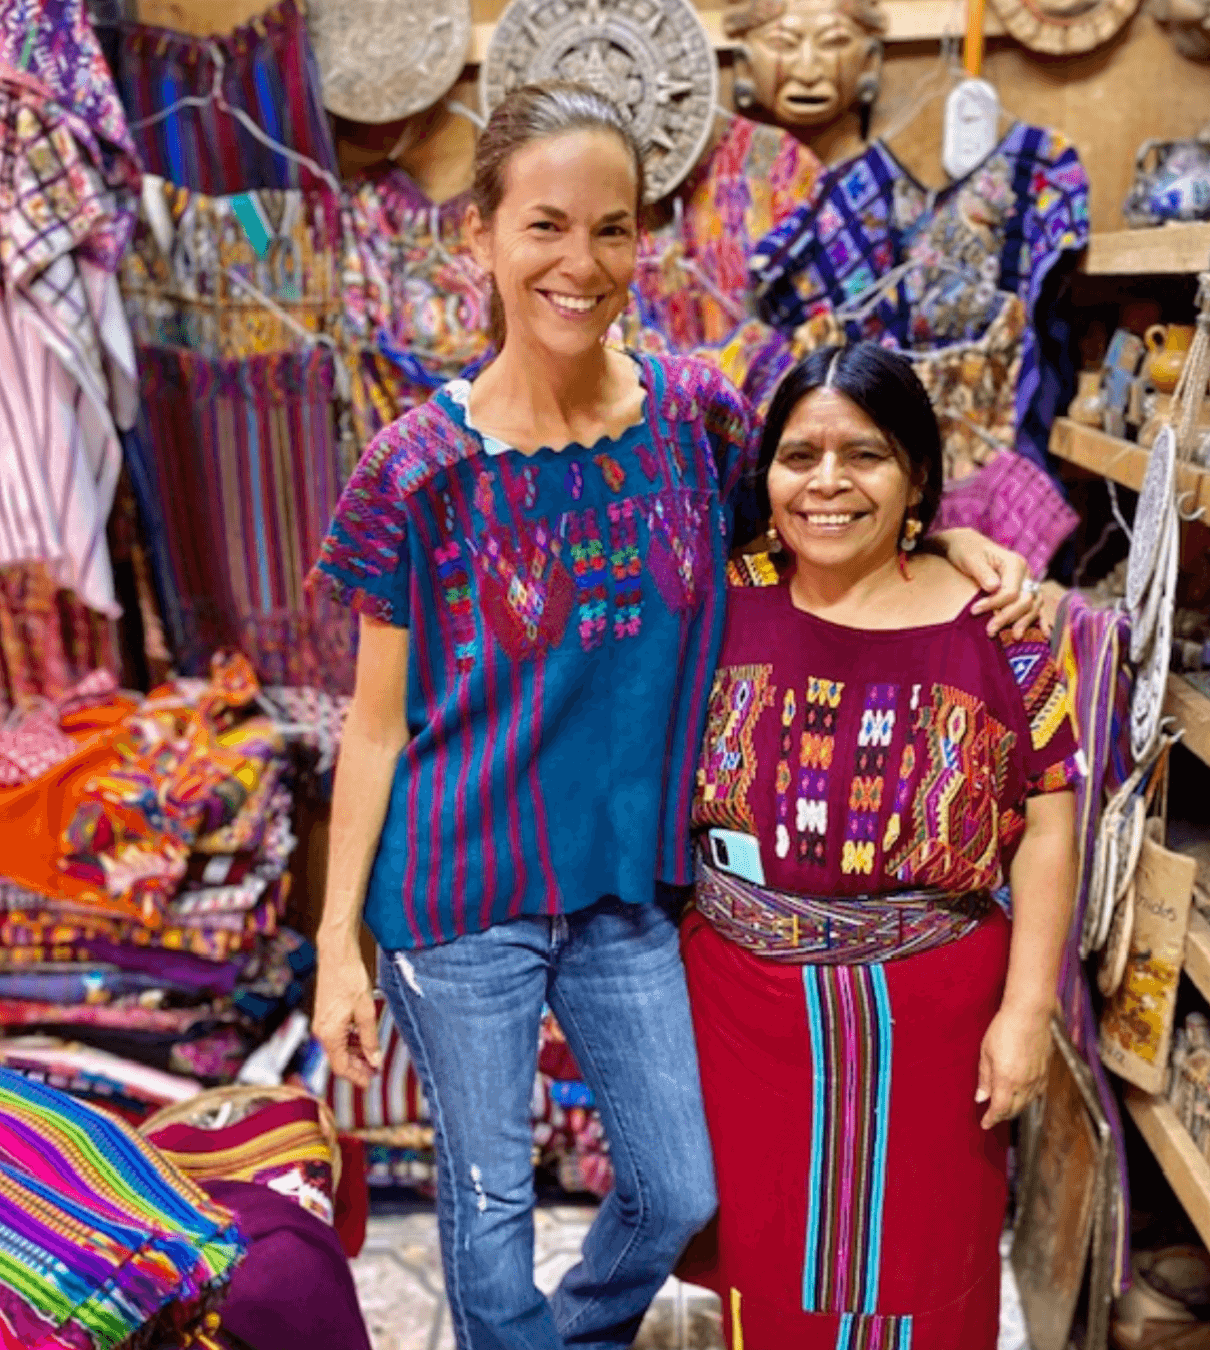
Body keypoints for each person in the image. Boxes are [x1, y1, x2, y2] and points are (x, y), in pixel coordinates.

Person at [306, 83, 1044, 1350]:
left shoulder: (697, 417)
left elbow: (831, 503)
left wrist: (953, 533)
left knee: (672, 1189)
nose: (579, 263)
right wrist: (335, 945)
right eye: (544, 225)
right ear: (476, 238)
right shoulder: (413, 471)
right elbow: (372, 730)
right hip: (456, 892)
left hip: (628, 892)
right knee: (485, 1213)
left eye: (612, 229)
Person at [680, 342, 1080, 1350]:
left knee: (924, 1270)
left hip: (934, 1023)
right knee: (765, 1272)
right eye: (798, 455)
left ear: (914, 481)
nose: (825, 482)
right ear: (765, 475)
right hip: (739, 1012)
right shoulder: (719, 606)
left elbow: (1048, 818)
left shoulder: (998, 630)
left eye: (862, 455)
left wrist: (1028, 1011)